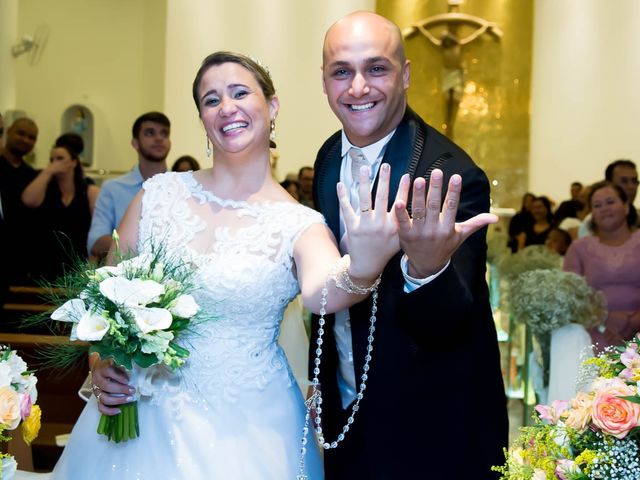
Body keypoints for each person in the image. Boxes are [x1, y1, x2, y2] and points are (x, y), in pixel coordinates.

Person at [52, 51, 404, 479]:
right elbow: (106, 298)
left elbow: (324, 291)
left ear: (272, 106)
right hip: (141, 414)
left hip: (249, 429)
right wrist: (100, 363)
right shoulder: (158, 195)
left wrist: (365, 264)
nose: (227, 107)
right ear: (201, 117)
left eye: (240, 92)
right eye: (211, 99)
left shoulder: (299, 222)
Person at [311, 11, 506, 479]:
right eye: (342, 71)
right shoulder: (327, 155)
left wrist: (427, 269)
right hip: (343, 411)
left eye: (376, 68)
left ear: (407, 74)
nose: (358, 88)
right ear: (324, 81)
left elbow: (450, 325)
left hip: (426, 425)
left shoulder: (449, 174)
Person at [564, 181, 640, 350]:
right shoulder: (579, 248)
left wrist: (632, 322)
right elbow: (570, 296)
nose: (604, 208)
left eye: (611, 202)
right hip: (594, 334)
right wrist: (606, 318)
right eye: (597, 205)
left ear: (626, 206)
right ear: (592, 214)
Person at [86, 112, 170, 260]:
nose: (159, 138)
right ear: (135, 143)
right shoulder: (113, 188)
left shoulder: (181, 188)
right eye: (150, 133)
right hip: (124, 277)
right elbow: (96, 242)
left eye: (164, 133)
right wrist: (145, 250)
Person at [21, 142, 100, 280]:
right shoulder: (45, 190)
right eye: (52, 160)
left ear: (74, 162)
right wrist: (48, 171)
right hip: (45, 264)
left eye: (60, 158)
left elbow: (97, 230)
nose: (55, 163)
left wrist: (91, 267)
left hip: (79, 264)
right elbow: (28, 200)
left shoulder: (90, 191)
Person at [0, 117, 40, 289]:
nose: (25, 140)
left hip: (19, 260)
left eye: (31, 137)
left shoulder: (32, 176)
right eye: (20, 133)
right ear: (8, 132)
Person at [605, 159, 638, 227]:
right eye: (624, 181)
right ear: (609, 184)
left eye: (634, 181)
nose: (631, 187)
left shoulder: (637, 219)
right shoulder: (594, 225)